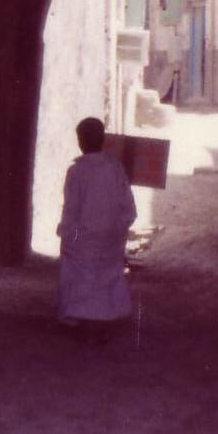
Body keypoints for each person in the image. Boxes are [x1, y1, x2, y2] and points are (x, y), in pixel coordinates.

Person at [57, 116, 137, 337]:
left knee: (76, 267)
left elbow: (71, 210)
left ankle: (84, 323)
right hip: (110, 240)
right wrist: (117, 229)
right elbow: (129, 208)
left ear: (80, 141)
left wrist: (66, 233)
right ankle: (102, 323)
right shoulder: (115, 168)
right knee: (105, 276)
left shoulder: (76, 172)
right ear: (103, 140)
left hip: (84, 240)